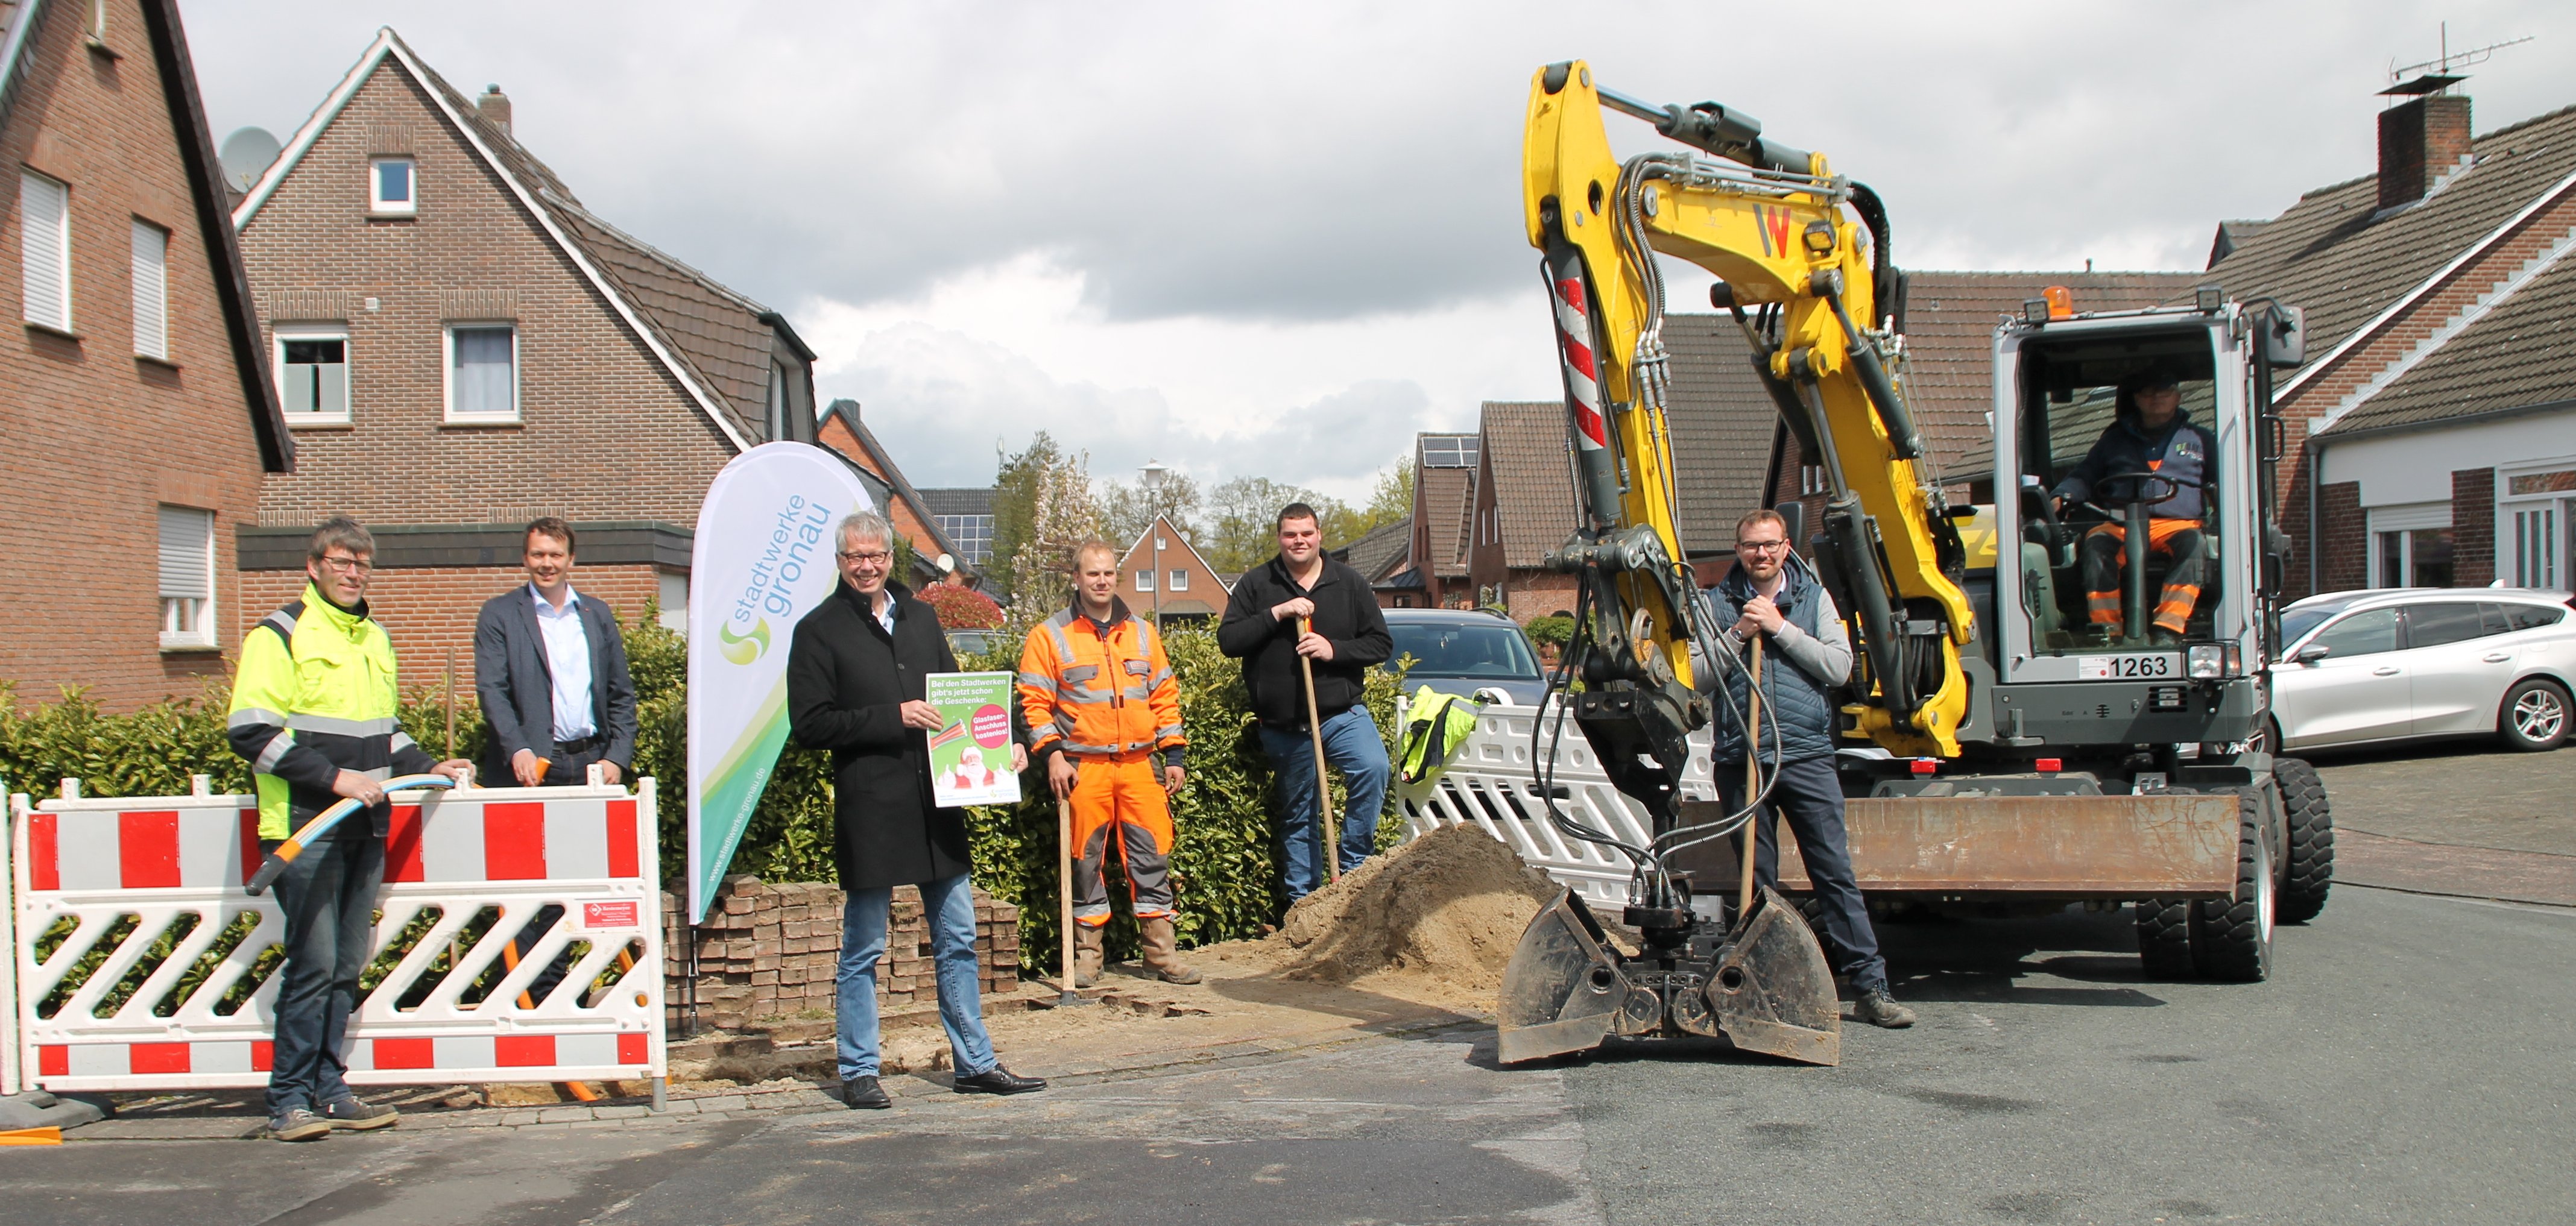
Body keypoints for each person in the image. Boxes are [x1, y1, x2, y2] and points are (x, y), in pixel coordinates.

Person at [788, 511, 1044, 1110]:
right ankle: (858, 1069)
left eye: (876, 555)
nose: (867, 566)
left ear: (889, 558)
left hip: (937, 803)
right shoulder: (818, 630)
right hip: (872, 807)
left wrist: (1008, 742)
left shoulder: (923, 618)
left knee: (957, 936)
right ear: (840, 560)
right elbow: (810, 724)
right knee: (864, 948)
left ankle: (974, 1063)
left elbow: (959, 695)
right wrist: (893, 717)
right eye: (855, 557)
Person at [227, 518, 473, 1140]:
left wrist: (424, 765)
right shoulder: (279, 635)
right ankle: (289, 1100)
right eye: (341, 561)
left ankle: (329, 1087)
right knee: (312, 965)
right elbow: (252, 733)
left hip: (366, 824)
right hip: (305, 827)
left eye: (362, 563)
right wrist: (335, 779)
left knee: (343, 966)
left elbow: (382, 733)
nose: (353, 572)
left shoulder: (375, 639)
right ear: (314, 567)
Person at [1701, 509, 1914, 1030]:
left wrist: (1778, 628)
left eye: (1770, 545)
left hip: (1806, 756)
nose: (1762, 555)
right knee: (1758, 881)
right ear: (1739, 548)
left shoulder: (1814, 598)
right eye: (1752, 545)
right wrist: (1738, 634)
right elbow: (1699, 676)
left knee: (1834, 874)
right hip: (1742, 757)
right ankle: (1762, 984)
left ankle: (1870, 986)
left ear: (1786, 546)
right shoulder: (1714, 603)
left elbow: (1839, 668)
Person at [472, 517, 639, 1002]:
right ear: (526, 559)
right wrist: (517, 746)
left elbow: (620, 695)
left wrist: (617, 757)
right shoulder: (501, 615)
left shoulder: (596, 615)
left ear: (571, 560)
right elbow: (493, 691)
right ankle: (526, 1001)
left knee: (578, 889)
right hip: (529, 772)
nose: (547, 563)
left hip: (587, 765)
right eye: (538, 555)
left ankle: (570, 994)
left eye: (555, 555)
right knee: (528, 892)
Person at [1017, 541, 1196, 987]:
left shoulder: (1142, 633)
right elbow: (1034, 706)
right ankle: (1087, 959)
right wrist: (1053, 755)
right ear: (1076, 578)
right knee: (1084, 862)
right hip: (1083, 767)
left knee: (1153, 857)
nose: (1101, 582)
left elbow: (1165, 697)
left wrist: (1174, 754)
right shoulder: (1049, 635)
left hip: (1140, 764)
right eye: (1092, 574)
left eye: (1108, 574)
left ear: (1116, 577)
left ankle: (1161, 955)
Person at [1217, 503, 1394, 901]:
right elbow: (1229, 641)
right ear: (1279, 538)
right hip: (1285, 724)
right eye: (1290, 534)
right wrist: (1277, 613)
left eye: (1306, 533)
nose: (1299, 541)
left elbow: (1381, 643)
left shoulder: (1349, 583)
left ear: (1320, 536)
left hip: (1341, 714)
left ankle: (1353, 873)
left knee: (1373, 767)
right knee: (1300, 814)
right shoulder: (1257, 584)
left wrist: (1334, 650)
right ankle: (1305, 903)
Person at [2051, 364, 2218, 644]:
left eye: (2165, 392)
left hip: (2178, 525)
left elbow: (2221, 480)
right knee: (2096, 544)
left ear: (2178, 398)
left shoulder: (2200, 439)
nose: (2157, 398)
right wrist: (2061, 496)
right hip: (2122, 523)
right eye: (2149, 393)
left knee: (2194, 544)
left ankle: (2169, 627)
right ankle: (2107, 631)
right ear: (2137, 399)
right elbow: (2085, 475)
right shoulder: (2114, 440)